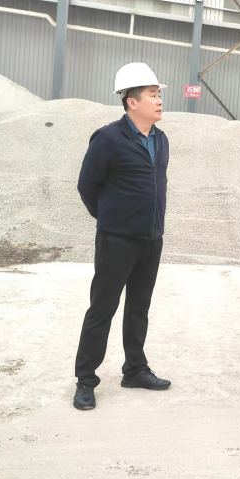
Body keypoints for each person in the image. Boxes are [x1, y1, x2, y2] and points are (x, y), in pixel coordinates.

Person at [72, 62, 172, 411]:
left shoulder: (161, 140)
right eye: (152, 95)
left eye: (158, 94)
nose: (159, 100)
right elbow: (87, 185)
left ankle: (135, 370)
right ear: (132, 102)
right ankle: (86, 380)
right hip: (117, 240)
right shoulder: (109, 138)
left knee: (139, 308)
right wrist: (109, 219)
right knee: (103, 308)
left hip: (151, 239)